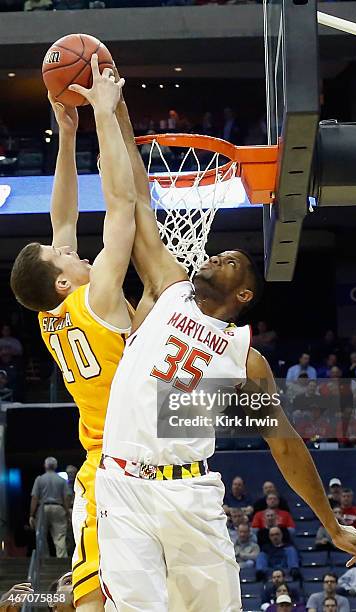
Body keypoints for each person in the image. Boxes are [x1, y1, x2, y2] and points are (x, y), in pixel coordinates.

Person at [93, 68, 356, 610]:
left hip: (191, 494)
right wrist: (115, 111)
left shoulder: (247, 360)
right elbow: (138, 200)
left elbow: (284, 444)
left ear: (243, 296)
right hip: (122, 488)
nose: (217, 254)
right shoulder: (167, 290)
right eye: (219, 253)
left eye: (232, 261)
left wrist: (332, 525)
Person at [10, 57, 135, 612]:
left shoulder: (51, 314)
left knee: (94, 594)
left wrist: (66, 136)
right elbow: (119, 207)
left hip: (98, 462)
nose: (71, 246)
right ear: (63, 278)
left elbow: (64, 219)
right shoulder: (100, 295)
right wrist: (105, 116)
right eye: (64, 255)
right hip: (133, 458)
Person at [30, 457, 70, 558]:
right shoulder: (61, 480)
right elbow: (67, 497)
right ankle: (61, 559)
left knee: (41, 536)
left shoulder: (39, 479)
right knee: (60, 537)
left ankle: (44, 559)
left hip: (43, 508)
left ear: (45, 466)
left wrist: (31, 514)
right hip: (58, 508)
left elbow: (35, 497)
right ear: (55, 466)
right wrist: (67, 510)